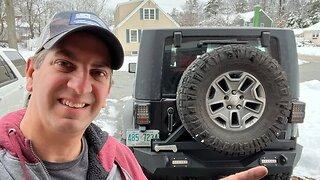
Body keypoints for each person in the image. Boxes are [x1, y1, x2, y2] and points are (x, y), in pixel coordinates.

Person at [0, 11, 268, 180]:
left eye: (98, 73)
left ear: (106, 92)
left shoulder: (119, 160)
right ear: (32, 73)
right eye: (65, 64)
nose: (81, 87)